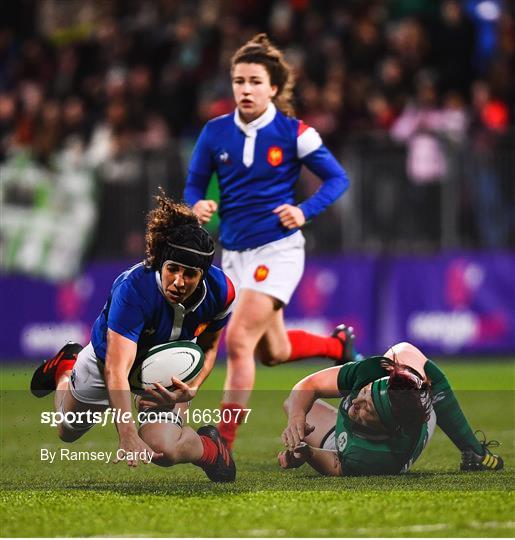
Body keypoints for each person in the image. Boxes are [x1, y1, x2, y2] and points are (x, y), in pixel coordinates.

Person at [184, 33, 352, 450]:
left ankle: (222, 444)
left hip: (278, 250)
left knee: (239, 340)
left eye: (255, 81)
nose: (245, 89)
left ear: (273, 87)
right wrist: (197, 205)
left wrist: (304, 210)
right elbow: (192, 185)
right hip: (234, 254)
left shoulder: (295, 132)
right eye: (239, 80)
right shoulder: (214, 132)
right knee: (271, 351)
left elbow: (338, 178)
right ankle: (337, 346)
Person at [30, 193, 236, 482]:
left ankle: (212, 450)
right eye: (172, 269)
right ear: (161, 263)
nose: (178, 281)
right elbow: (117, 370)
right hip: (107, 364)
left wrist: (192, 387)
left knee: (163, 448)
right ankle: (66, 367)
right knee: (67, 430)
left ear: (203, 275)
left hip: (164, 368)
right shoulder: (133, 290)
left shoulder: (222, 292)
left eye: (189, 274)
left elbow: (210, 347)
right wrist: (126, 433)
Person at [279, 341, 504, 476]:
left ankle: (473, 451)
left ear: (386, 427)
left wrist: (306, 454)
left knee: (427, 388)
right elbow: (308, 385)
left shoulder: (376, 456)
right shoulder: (371, 373)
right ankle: (354, 361)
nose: (355, 402)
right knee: (404, 351)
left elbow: (337, 465)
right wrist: (296, 417)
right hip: (371, 417)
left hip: (388, 438)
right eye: (365, 392)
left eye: (368, 409)